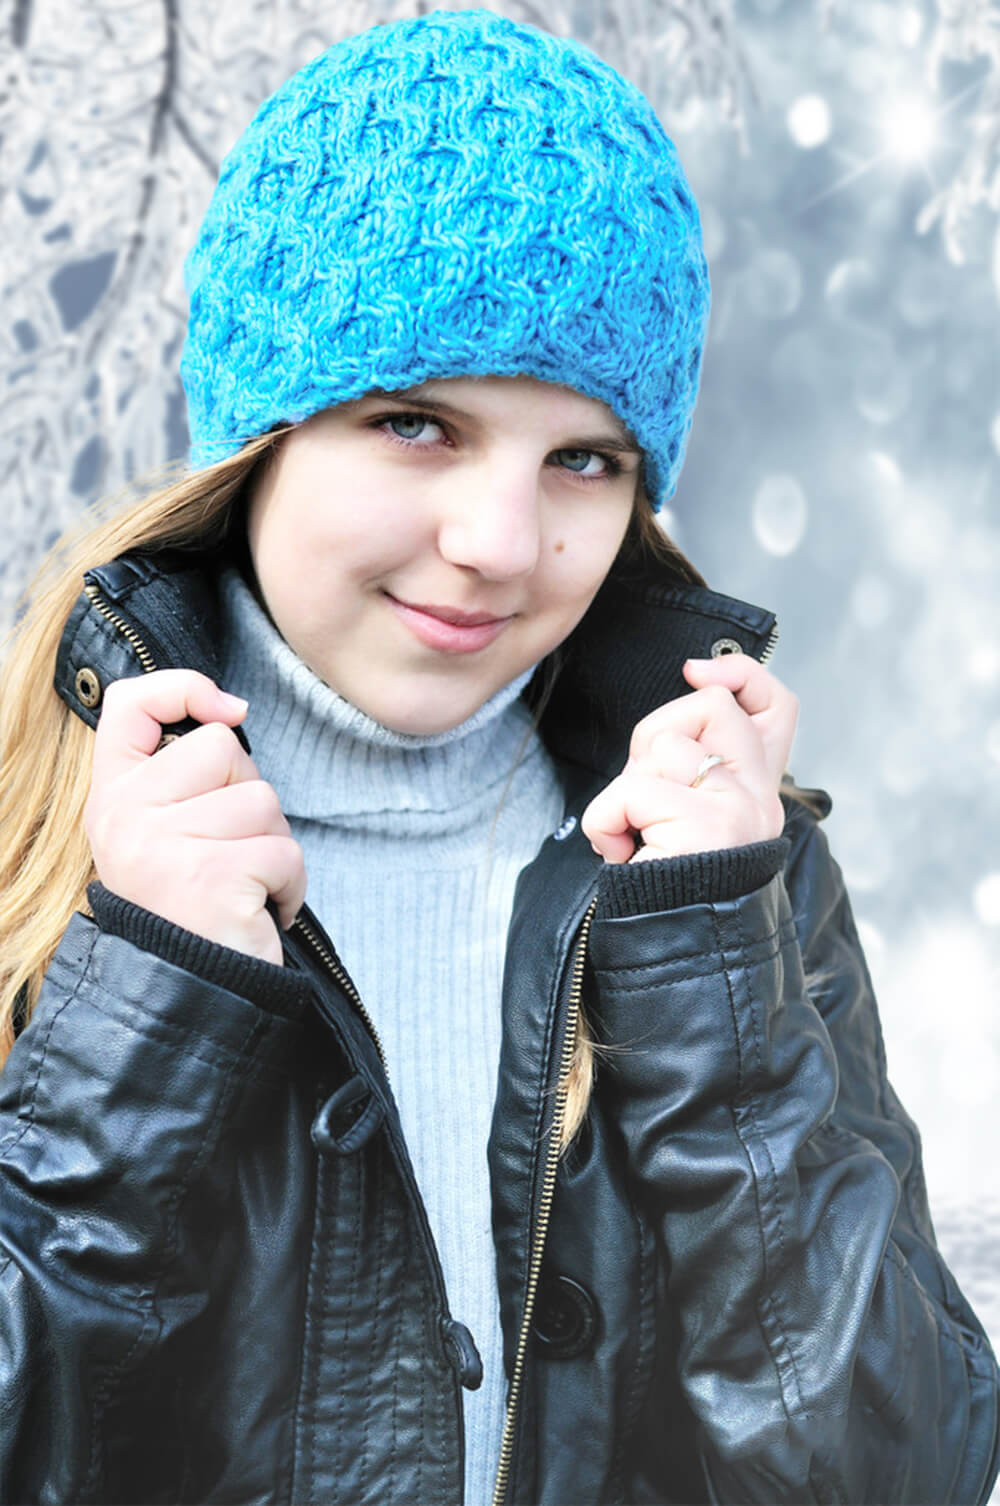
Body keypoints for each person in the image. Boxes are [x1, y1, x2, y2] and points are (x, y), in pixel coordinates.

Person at [0, 8, 997, 1504]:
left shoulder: (724, 868)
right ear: (259, 432)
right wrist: (146, 996)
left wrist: (713, 987)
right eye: (416, 424)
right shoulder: (40, 836)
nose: (500, 545)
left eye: (582, 459)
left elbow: (898, 1471)